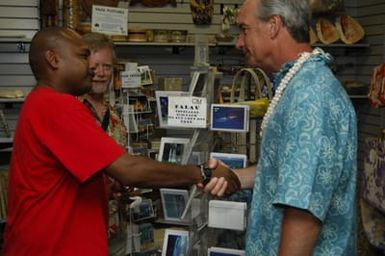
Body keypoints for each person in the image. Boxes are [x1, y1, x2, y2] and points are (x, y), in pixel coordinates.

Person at [3, 27, 240, 256]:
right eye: (83, 56)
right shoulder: (57, 105)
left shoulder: (40, 102)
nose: (92, 68)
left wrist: (106, 185)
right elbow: (130, 170)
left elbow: (59, 179)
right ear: (53, 59)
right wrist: (202, 173)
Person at [205, 0, 357, 255]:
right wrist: (236, 177)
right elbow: (289, 171)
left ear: (273, 26)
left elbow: (304, 211)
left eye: (244, 29)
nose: (238, 43)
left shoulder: (310, 97)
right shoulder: (298, 84)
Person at [80, 32, 128, 254]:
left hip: (115, 228)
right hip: (81, 230)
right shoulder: (70, 111)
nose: (100, 74)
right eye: (94, 66)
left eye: (107, 67)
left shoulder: (116, 117)